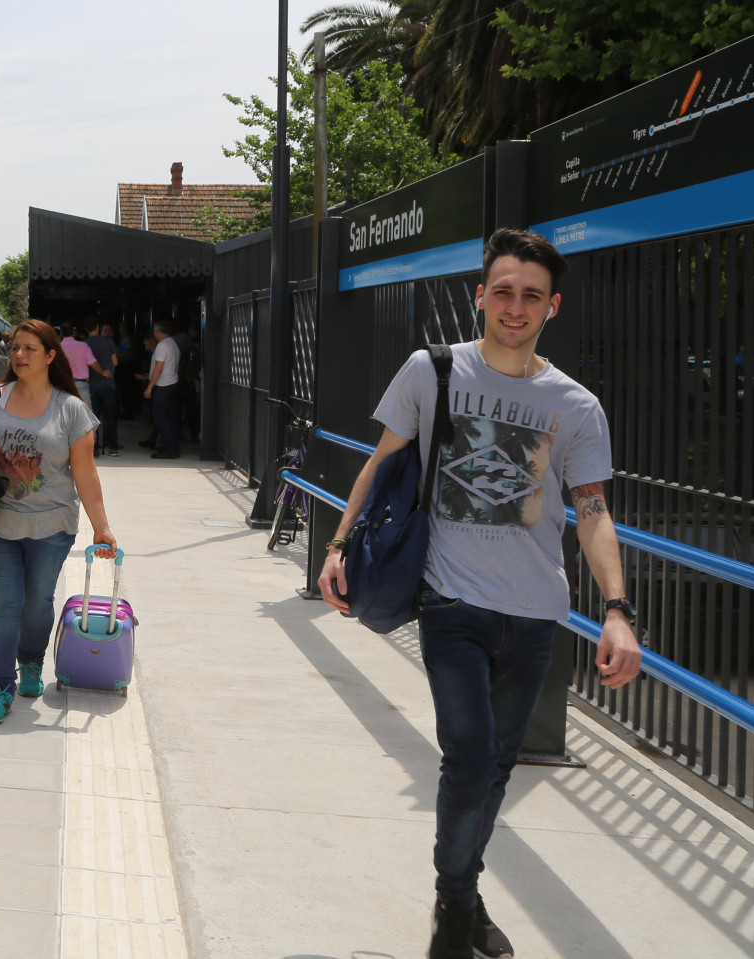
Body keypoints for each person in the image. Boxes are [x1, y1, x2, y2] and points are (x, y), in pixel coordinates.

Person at [318, 229, 642, 958]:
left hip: (534, 615)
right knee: (468, 755)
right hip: (450, 604)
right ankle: (454, 911)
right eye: (503, 290)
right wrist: (338, 544)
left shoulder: (576, 406)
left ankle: (458, 897)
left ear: (552, 306)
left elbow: (592, 512)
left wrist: (617, 609)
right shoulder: (430, 371)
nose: (515, 306)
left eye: (531, 294)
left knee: (495, 764)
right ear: (480, 297)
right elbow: (381, 464)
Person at [0, 320, 118, 724]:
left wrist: (102, 526)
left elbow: (85, 473)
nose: (20, 356)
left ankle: (30, 663)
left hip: (51, 526)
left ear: (50, 356)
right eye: (15, 348)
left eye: (30, 349)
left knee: (36, 603)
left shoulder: (71, 410)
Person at [144, 321, 181, 459]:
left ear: (157, 332)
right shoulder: (173, 343)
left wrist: (149, 387)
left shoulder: (162, 346)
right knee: (171, 418)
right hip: (173, 383)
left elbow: (159, 368)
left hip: (163, 386)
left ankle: (170, 450)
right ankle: (172, 445)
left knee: (161, 418)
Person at [84, 320, 121, 456]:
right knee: (111, 417)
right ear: (98, 327)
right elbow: (115, 362)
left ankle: (94, 446)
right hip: (108, 384)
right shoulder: (109, 342)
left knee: (94, 418)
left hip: (92, 385)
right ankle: (113, 446)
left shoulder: (86, 344)